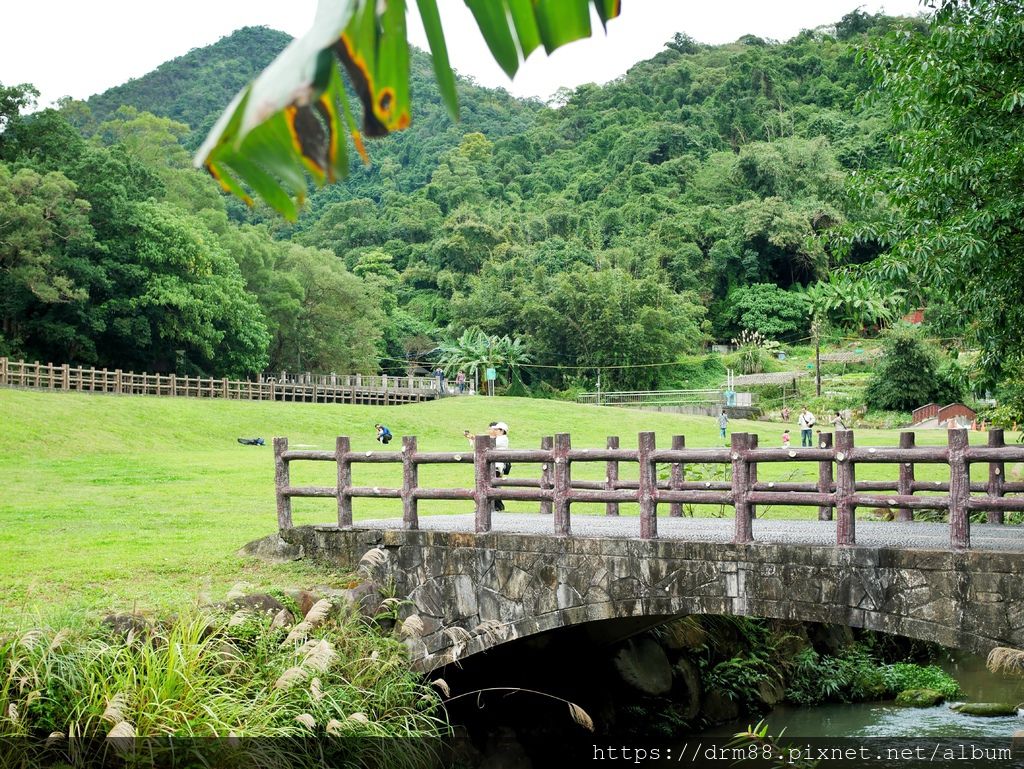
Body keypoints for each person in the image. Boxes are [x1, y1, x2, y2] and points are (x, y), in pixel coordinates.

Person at [465, 422, 510, 511]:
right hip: (494, 465)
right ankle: (496, 506)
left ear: (501, 431)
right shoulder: (498, 438)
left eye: (496, 430)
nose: (494, 431)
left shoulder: (502, 439)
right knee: (492, 485)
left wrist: (474, 438)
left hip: (497, 466)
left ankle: (496, 506)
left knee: (492, 485)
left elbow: (488, 444)